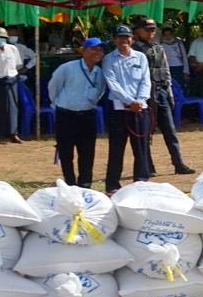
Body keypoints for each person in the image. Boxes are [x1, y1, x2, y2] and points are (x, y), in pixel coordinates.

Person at [133, 17, 194, 175]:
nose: (150, 33)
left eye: (153, 30)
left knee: (170, 130)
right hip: (144, 95)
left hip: (160, 91)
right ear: (139, 31)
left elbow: (166, 71)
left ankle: (178, 163)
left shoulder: (159, 48)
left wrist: (169, 93)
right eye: (147, 30)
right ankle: (148, 166)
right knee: (146, 131)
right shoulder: (135, 50)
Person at [47, 38, 107, 186]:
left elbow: (100, 92)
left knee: (87, 152)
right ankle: (70, 183)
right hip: (66, 115)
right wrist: (59, 103)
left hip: (87, 115)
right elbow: (53, 87)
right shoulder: (67, 68)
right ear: (84, 51)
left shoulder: (99, 72)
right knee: (66, 152)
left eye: (100, 50)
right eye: (94, 49)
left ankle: (85, 184)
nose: (97, 53)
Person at [101, 24, 152, 193]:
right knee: (116, 149)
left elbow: (146, 81)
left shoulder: (141, 57)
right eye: (120, 37)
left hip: (139, 109)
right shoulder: (109, 59)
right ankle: (113, 185)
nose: (124, 40)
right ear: (114, 39)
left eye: (127, 37)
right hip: (118, 109)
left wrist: (139, 101)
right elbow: (113, 84)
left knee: (141, 147)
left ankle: (141, 182)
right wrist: (130, 101)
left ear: (132, 38)